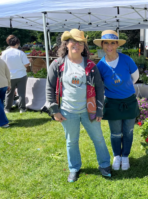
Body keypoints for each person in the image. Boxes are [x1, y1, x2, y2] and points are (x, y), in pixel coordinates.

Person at [46, 29, 111, 182]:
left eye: (80, 42)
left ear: (84, 46)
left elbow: (100, 88)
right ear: (66, 44)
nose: (77, 45)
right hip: (68, 111)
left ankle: (104, 165)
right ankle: (74, 168)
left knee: (99, 139)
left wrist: (99, 110)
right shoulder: (57, 64)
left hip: (90, 111)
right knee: (71, 141)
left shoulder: (90, 65)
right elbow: (49, 87)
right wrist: (54, 110)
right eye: (73, 42)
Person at [93, 30, 140, 171]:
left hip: (129, 101)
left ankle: (125, 156)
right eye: (106, 43)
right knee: (115, 133)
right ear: (102, 45)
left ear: (117, 44)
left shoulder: (127, 60)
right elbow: (100, 86)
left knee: (128, 131)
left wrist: (124, 89)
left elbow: (135, 77)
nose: (109, 46)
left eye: (112, 43)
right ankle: (116, 156)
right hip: (112, 103)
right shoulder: (100, 66)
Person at [1, 35, 30, 113]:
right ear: (17, 43)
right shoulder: (20, 53)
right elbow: (26, 64)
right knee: (21, 93)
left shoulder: (4, 53)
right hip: (21, 75)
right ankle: (22, 109)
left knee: (9, 93)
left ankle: (7, 108)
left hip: (9, 76)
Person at [0, 58, 11, 128]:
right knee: (1, 103)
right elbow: (8, 73)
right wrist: (9, 84)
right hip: (4, 84)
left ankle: (4, 122)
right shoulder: (1, 61)